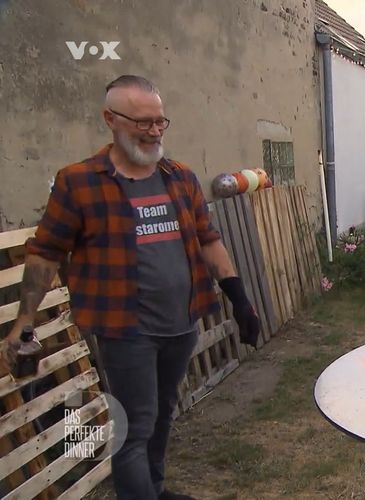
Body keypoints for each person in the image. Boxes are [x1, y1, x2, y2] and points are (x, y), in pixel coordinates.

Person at [0, 75, 260, 500]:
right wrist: (23, 323)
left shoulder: (180, 177)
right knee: (135, 427)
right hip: (126, 330)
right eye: (143, 122)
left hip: (181, 324)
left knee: (161, 417)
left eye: (160, 121)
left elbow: (208, 239)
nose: (155, 131)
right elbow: (45, 253)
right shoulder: (80, 183)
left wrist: (239, 298)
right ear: (111, 119)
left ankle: (154, 490)